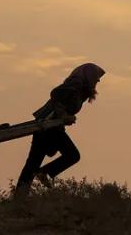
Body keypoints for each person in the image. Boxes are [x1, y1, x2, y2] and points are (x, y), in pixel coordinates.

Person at [15, 63, 106, 193]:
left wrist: (66, 117)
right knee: (72, 155)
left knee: (33, 163)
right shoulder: (75, 84)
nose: (98, 80)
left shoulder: (81, 90)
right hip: (47, 125)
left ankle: (20, 197)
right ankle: (43, 173)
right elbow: (55, 93)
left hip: (51, 127)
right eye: (96, 77)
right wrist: (64, 115)